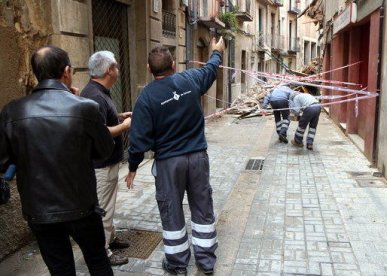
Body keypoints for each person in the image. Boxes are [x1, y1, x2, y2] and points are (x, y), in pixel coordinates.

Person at [0, 45, 114, 275]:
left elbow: (3, 161)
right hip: (82, 206)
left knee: (60, 269)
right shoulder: (85, 108)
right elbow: (104, 151)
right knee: (98, 263)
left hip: (40, 211)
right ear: (67, 71)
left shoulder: (12, 111)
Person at [125, 37, 225, 275]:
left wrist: (132, 167)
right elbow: (211, 70)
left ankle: (178, 265)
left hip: (169, 163)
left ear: (149, 69)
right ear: (173, 66)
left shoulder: (146, 98)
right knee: (202, 205)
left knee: (171, 209)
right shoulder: (190, 79)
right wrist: (216, 52)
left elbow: (139, 141)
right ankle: (206, 261)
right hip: (198, 158)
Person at [81, 51, 131, 266]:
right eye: (116, 67)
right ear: (109, 70)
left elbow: (100, 120)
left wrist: (118, 116)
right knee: (103, 209)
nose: (118, 71)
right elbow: (100, 131)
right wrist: (124, 126)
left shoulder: (99, 92)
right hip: (101, 165)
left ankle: (110, 238)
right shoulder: (95, 96)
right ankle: (103, 253)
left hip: (107, 162)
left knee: (109, 205)